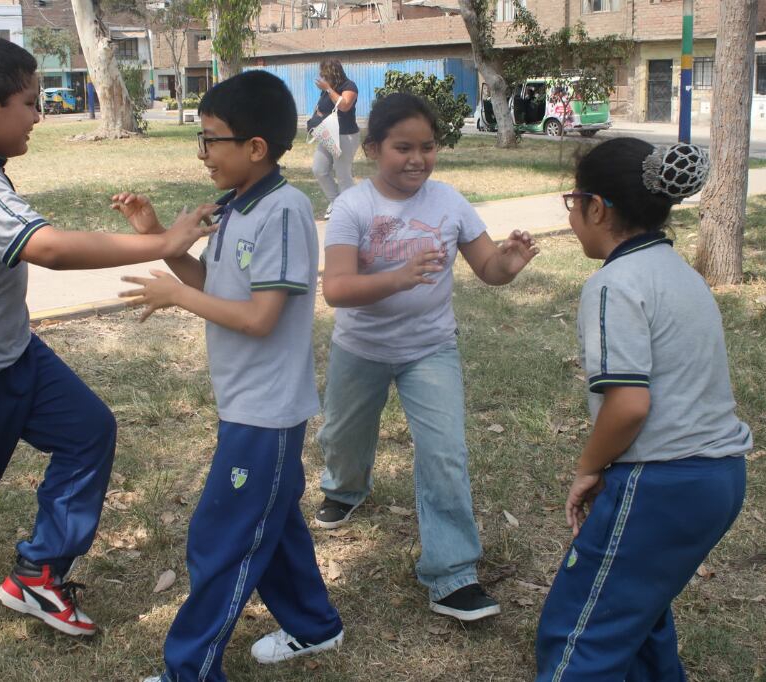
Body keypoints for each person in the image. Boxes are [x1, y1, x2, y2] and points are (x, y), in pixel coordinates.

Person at [0, 33, 215, 638]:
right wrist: (165, 242)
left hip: (12, 352)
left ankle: (39, 573)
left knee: (89, 432)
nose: (39, 114)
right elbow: (51, 248)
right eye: (30, 102)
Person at [114, 70, 343, 682]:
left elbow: (261, 317)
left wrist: (175, 297)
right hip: (245, 402)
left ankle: (187, 671)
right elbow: (217, 287)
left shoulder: (287, 210)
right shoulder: (237, 207)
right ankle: (315, 625)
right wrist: (161, 242)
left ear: (255, 148)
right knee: (271, 521)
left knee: (221, 539)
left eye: (211, 139)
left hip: (266, 411)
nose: (203, 152)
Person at [314, 92, 539, 622]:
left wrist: (509, 262)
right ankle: (345, 488)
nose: (417, 158)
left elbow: (488, 269)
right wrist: (399, 276)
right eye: (402, 147)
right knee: (343, 437)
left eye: (428, 147)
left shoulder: (448, 202)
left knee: (444, 452)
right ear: (372, 149)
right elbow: (337, 290)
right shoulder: (353, 207)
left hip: (430, 348)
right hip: (360, 348)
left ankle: (453, 575)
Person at [535, 138, 752, 681]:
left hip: (662, 485)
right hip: (720, 477)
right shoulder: (680, 273)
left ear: (597, 207)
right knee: (638, 612)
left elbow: (629, 405)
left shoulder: (614, 283)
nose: (572, 215)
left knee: (579, 631)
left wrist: (588, 468)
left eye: (573, 201)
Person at [308, 58, 359, 220]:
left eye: (325, 74)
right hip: (328, 134)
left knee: (343, 174)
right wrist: (315, 119)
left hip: (346, 135)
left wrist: (329, 89)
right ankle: (336, 201)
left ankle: (350, 209)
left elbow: (344, 106)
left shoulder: (349, 86)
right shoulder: (326, 90)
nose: (322, 77)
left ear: (333, 73)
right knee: (319, 169)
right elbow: (321, 108)